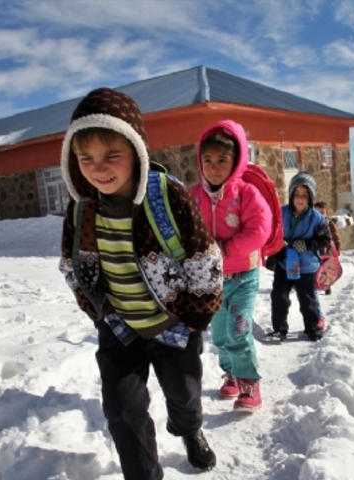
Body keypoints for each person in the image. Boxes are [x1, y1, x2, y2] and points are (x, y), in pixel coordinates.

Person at [58, 88, 223, 479]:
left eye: (111, 154)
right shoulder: (82, 210)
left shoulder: (168, 199)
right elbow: (72, 266)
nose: (98, 168)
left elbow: (204, 261)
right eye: (85, 157)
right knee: (122, 411)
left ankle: (189, 430)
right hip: (120, 329)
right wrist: (99, 310)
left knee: (184, 396)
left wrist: (194, 320)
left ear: (136, 150)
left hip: (173, 326)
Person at [190, 120, 270, 412]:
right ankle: (232, 373)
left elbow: (259, 230)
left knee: (238, 329)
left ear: (236, 161)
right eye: (208, 160)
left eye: (222, 160)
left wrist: (226, 248)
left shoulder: (246, 194)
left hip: (244, 276)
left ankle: (249, 382)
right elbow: (184, 229)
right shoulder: (194, 196)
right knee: (221, 334)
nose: (213, 168)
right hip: (211, 279)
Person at [268, 173, 331, 342]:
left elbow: (325, 240)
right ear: (291, 194)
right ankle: (279, 329)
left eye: (305, 195)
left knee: (307, 298)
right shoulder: (280, 213)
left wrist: (307, 244)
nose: (300, 199)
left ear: (311, 197)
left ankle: (312, 328)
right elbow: (272, 233)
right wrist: (277, 251)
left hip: (306, 264)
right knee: (279, 296)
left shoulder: (317, 218)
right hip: (284, 262)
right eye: (296, 194)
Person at [314, 201, 340, 295]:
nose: (319, 215)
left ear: (327, 213)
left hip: (328, 251)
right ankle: (316, 284)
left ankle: (327, 286)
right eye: (317, 212)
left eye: (322, 212)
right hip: (316, 250)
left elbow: (336, 237)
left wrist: (337, 249)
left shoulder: (330, 224)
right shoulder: (312, 224)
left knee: (327, 270)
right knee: (316, 268)